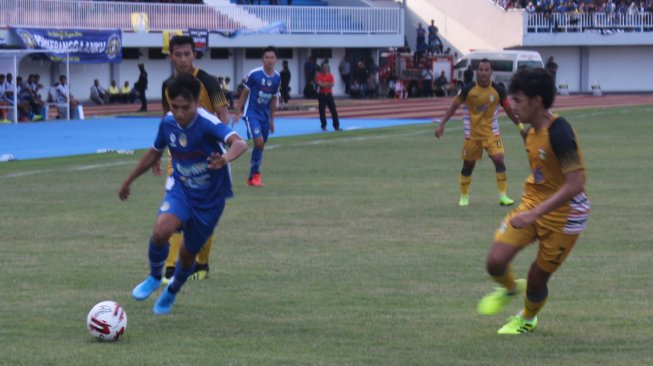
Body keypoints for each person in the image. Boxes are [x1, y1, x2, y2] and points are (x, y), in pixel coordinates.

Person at [119, 73, 248, 315]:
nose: (179, 113)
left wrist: (225, 158)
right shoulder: (168, 123)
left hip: (210, 199)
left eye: (185, 108)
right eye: (174, 107)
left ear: (197, 103)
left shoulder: (207, 122)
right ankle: (155, 276)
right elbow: (154, 152)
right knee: (161, 230)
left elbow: (240, 143)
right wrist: (129, 181)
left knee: (188, 253)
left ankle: (173, 290)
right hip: (182, 189)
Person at [476, 68, 590, 334]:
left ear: (537, 101)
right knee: (495, 261)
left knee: (537, 279)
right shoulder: (529, 132)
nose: (513, 106)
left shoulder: (559, 132)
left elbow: (576, 183)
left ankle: (527, 319)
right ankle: (511, 289)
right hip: (534, 204)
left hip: (566, 214)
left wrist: (533, 214)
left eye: (518, 100)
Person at [158, 35, 231, 284]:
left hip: (206, 158)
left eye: (187, 54)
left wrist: (219, 149)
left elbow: (223, 114)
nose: (182, 59)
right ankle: (170, 268)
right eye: (177, 54)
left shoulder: (208, 82)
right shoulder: (167, 85)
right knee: (174, 210)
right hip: (178, 158)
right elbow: (166, 121)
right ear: (171, 57)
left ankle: (202, 263)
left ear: (194, 55)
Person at [434, 58, 524, 207]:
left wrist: (521, 127)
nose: (483, 73)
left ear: (491, 72)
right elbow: (453, 107)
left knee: (499, 160)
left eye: (486, 70)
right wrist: (442, 124)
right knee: (468, 166)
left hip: (492, 133)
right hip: (472, 134)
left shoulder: (498, 91)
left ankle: (503, 196)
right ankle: (464, 196)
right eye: (481, 70)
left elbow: (509, 111)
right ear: (477, 72)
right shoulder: (468, 90)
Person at [234, 45, 281, 187]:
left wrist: (272, 120)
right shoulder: (254, 74)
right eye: (267, 57)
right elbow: (244, 93)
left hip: (265, 116)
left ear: (276, 59)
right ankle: (255, 175)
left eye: (272, 57)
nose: (269, 60)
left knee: (260, 146)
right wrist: (238, 112)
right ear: (262, 59)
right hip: (251, 113)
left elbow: (273, 99)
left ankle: (253, 177)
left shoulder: (277, 78)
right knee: (259, 142)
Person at [315, 62, 341, 132]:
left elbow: (332, 84)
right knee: (322, 111)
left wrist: (324, 84)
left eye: (327, 67)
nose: (326, 69)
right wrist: (327, 84)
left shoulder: (330, 76)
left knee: (334, 110)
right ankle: (324, 125)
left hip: (329, 94)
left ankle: (336, 126)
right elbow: (320, 84)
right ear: (322, 68)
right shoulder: (319, 76)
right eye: (324, 67)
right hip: (322, 95)